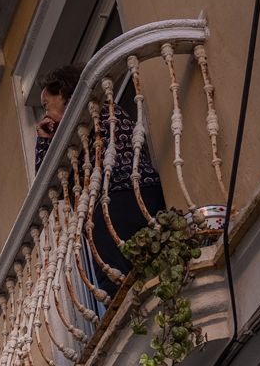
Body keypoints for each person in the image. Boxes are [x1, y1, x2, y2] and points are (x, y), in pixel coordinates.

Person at [34, 63, 168, 290]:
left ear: (64, 93)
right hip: (127, 197)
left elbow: (52, 182)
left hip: (120, 199)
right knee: (122, 276)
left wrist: (49, 139)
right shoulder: (93, 120)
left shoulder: (96, 114)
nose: (46, 113)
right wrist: (45, 141)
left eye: (46, 105)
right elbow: (50, 186)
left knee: (117, 278)